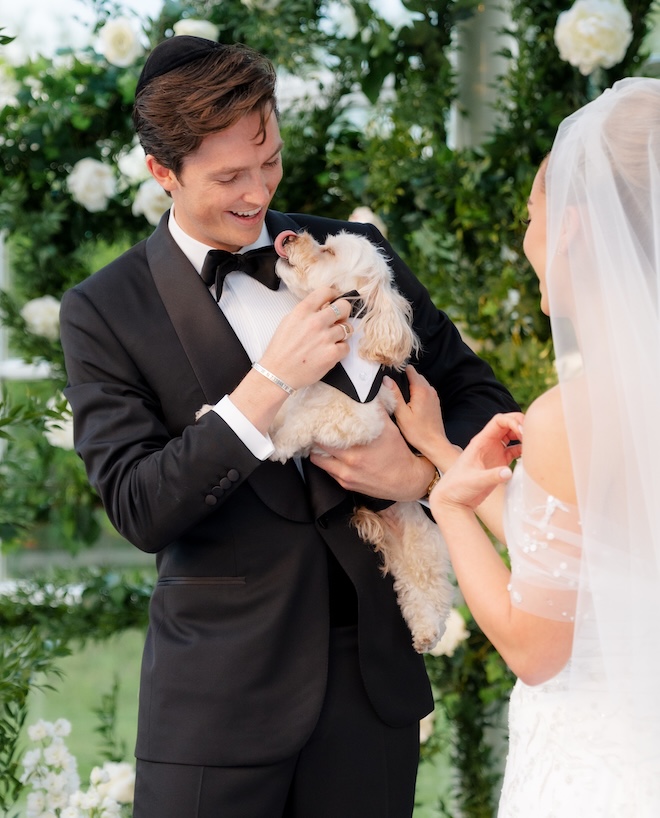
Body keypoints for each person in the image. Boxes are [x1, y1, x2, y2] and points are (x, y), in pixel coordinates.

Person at [59, 35, 518, 818]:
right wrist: (270, 383)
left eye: (268, 162)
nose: (257, 193)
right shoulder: (102, 310)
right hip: (216, 707)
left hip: (372, 697)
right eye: (229, 177)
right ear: (161, 173)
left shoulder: (353, 255)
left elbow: (481, 400)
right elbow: (140, 506)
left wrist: (419, 475)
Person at [387, 77, 660, 816]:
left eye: (530, 215)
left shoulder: (572, 415)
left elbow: (536, 649)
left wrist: (448, 508)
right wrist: (445, 452)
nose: (525, 238)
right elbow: (601, 561)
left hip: (600, 771)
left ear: (571, 228)